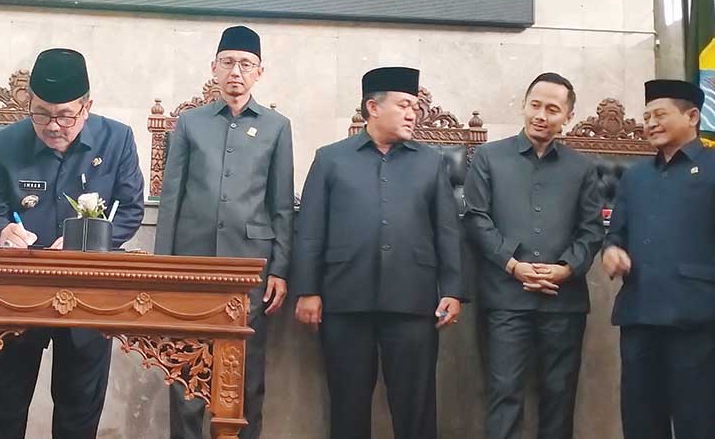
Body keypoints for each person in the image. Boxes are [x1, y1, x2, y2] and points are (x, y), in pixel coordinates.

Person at [0, 48, 145, 439]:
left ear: (87, 107)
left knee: (78, 413)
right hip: (16, 295)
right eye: (41, 113)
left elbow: (131, 210)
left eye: (65, 116)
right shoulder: (3, 145)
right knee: (0, 409)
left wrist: (88, 240)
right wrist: (2, 232)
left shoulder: (117, 140)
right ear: (28, 104)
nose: (52, 126)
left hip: (87, 294)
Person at [291, 66, 465, 439]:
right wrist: (308, 290)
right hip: (345, 299)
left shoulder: (430, 162)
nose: (412, 114)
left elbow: (448, 230)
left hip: (413, 302)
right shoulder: (331, 159)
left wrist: (452, 289)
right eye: (404, 105)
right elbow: (310, 230)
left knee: (416, 406)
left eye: (415, 107)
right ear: (373, 107)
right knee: (348, 405)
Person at [155, 25, 294, 439]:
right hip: (192, 264)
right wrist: (163, 267)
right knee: (185, 373)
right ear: (213, 68)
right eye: (228, 62)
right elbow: (171, 199)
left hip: (250, 267)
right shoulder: (190, 123)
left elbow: (281, 203)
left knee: (246, 376)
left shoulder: (276, 126)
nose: (237, 71)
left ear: (259, 72)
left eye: (246, 64)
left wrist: (280, 269)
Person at [463, 72, 605, 439]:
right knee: (504, 394)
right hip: (505, 299)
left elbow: (592, 229)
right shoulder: (489, 157)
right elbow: (476, 218)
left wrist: (566, 268)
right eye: (535, 105)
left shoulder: (582, 168)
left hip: (563, 301)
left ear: (568, 116)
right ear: (524, 106)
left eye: (552, 109)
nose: (541, 115)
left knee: (559, 397)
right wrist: (513, 265)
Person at [601, 79, 715, 439]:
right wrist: (611, 251)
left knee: (698, 420)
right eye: (647, 116)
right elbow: (615, 233)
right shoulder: (635, 177)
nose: (650, 123)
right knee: (641, 420)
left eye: (660, 115)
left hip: (698, 319)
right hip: (640, 314)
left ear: (692, 116)